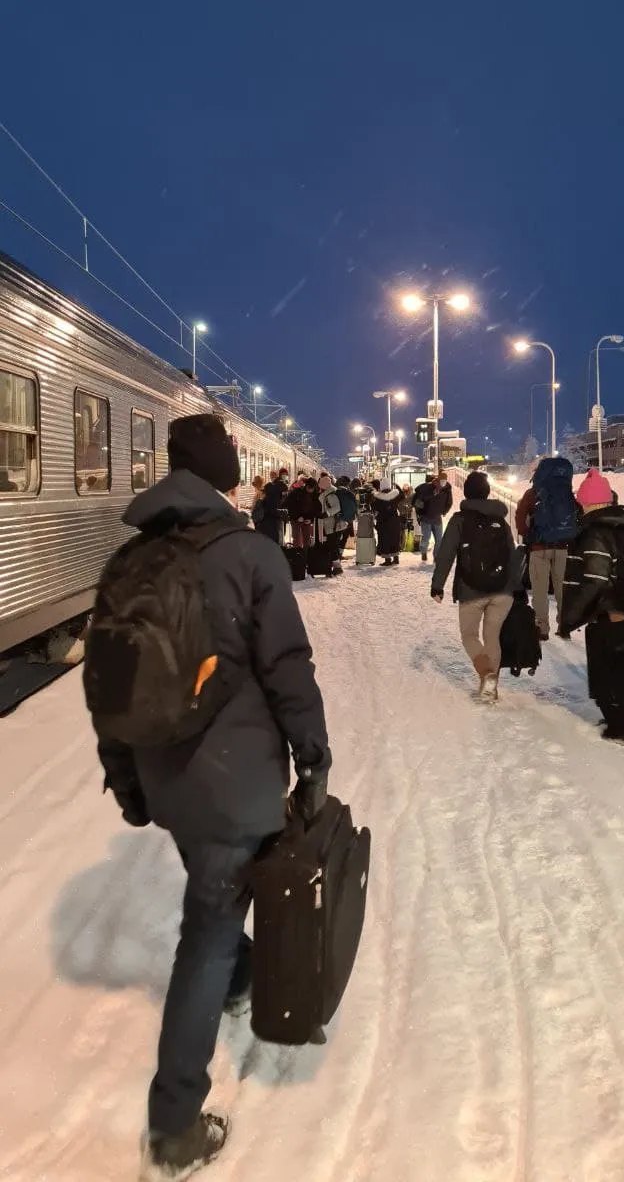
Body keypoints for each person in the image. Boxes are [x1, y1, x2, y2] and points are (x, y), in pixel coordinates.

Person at [90, 414, 331, 1179]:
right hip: (239, 781)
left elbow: (107, 688)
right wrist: (314, 760)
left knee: (214, 901)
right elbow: (288, 667)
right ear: (227, 474)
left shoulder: (129, 559)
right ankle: (173, 1125)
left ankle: (234, 978)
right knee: (208, 931)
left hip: (168, 777)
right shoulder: (251, 554)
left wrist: (130, 784)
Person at [560, 469, 624, 744]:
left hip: (608, 612)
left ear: (587, 502)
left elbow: (594, 580)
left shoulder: (596, 531)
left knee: (609, 670)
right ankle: (619, 717)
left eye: (581, 501)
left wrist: (570, 617)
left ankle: (622, 729)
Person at [431, 471, 520, 703]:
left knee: (469, 635)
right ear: (487, 492)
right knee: (493, 637)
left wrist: (437, 585)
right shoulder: (500, 520)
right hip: (502, 591)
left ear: (467, 493)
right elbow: (512, 554)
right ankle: (492, 688)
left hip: (471, 590)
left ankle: (486, 674)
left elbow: (445, 554)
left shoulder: (460, 520)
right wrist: (515, 586)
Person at [515, 456, 578, 641]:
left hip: (538, 548)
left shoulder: (532, 493)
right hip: (563, 548)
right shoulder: (566, 491)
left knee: (540, 591)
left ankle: (542, 628)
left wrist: (527, 534)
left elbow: (520, 518)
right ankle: (565, 625)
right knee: (561, 589)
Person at [413, 473, 453, 561]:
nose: (443, 483)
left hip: (437, 518)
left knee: (439, 539)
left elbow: (449, 502)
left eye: (445, 481)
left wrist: (445, 511)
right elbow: (421, 499)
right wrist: (433, 494)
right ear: (438, 479)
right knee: (426, 538)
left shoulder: (447, 489)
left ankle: (436, 556)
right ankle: (423, 552)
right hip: (426, 517)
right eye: (442, 480)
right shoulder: (428, 487)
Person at [254, 466, 289, 543]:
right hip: (277, 514)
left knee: (272, 534)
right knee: (279, 534)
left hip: (269, 514)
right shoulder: (283, 486)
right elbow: (284, 500)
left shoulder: (267, 486)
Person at [372, 477, 403, 566]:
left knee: (384, 539)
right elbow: (402, 496)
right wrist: (398, 487)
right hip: (394, 520)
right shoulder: (395, 494)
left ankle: (387, 560)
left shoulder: (378, 496)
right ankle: (396, 558)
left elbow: (375, 507)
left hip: (383, 520)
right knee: (395, 538)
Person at [286, 475, 320, 550]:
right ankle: (296, 556)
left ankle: (305, 557)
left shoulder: (315, 495)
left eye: (312, 489)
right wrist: (297, 517)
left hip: (307, 520)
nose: (310, 490)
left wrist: (310, 519)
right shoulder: (296, 493)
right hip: (295, 520)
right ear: (306, 486)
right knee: (296, 539)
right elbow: (290, 506)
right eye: (309, 488)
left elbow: (315, 509)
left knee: (306, 539)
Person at [335, 475, 359, 545]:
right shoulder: (350, 493)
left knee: (337, 537)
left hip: (337, 519)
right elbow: (355, 506)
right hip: (348, 519)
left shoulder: (335, 492)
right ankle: (340, 550)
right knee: (344, 537)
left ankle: (337, 552)